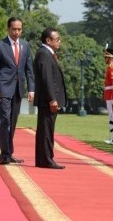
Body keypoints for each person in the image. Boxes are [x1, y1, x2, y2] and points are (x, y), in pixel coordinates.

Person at [0, 17, 35, 165]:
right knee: (4, 121)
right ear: (8, 29)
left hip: (18, 90)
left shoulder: (25, 46)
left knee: (13, 122)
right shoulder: (0, 45)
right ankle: (4, 155)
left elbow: (29, 70)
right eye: (14, 29)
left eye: (19, 29)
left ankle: (9, 153)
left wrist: (31, 89)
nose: (17, 32)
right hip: (3, 89)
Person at [33, 27, 67, 169]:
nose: (59, 41)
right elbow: (47, 79)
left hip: (48, 100)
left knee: (45, 130)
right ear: (48, 40)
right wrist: (52, 99)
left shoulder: (46, 54)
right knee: (46, 130)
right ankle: (46, 159)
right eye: (57, 39)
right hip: (48, 101)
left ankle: (43, 159)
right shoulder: (44, 54)